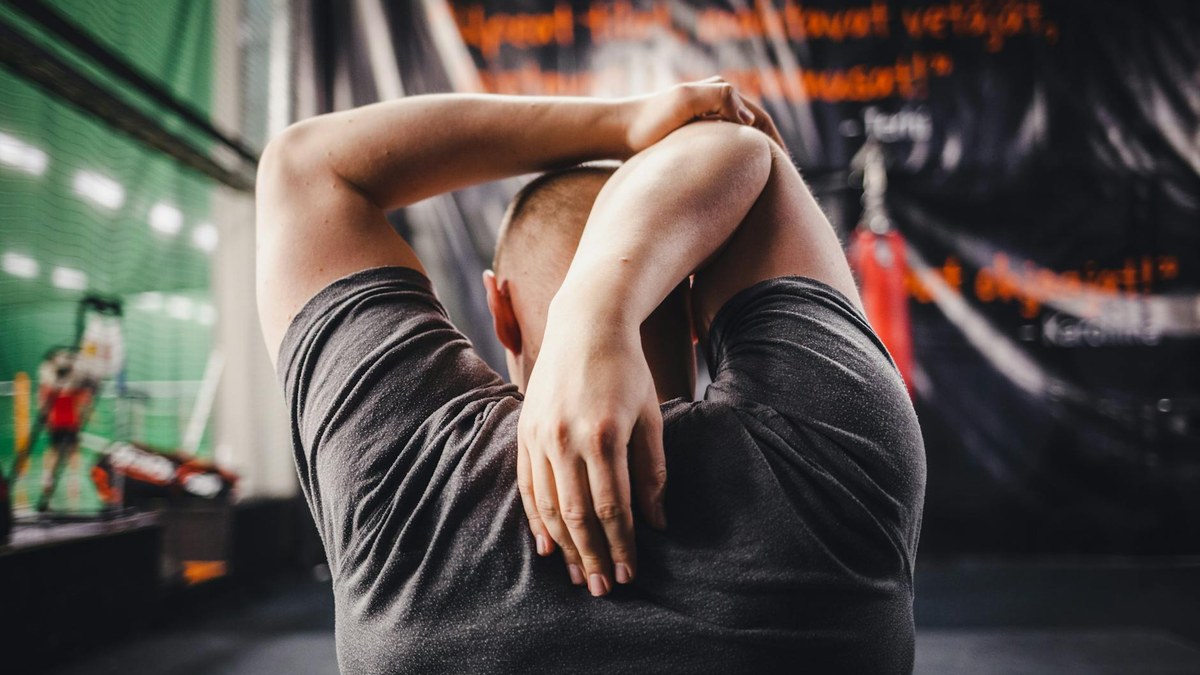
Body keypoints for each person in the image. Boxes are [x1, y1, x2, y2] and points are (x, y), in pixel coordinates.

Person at [256, 79, 926, 673]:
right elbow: (739, 147)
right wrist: (600, 309)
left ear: (502, 309)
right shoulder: (830, 456)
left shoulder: (406, 475)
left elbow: (306, 167)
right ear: (694, 308)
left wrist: (622, 121)